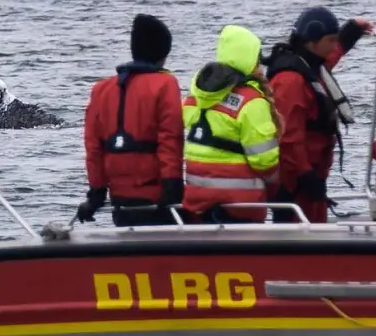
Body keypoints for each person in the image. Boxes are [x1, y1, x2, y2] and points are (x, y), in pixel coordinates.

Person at [265, 8, 375, 222]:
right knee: (299, 236)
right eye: (331, 40)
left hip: (313, 176)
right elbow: (289, 139)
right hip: (296, 182)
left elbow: (329, 57)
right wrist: (306, 175)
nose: (335, 46)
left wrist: (351, 31)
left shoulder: (310, 66)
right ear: (312, 41)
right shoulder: (290, 81)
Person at [77, 14, 185, 226]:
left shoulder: (101, 90)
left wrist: (96, 195)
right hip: (157, 200)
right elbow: (170, 142)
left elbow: (93, 148)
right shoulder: (165, 84)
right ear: (162, 53)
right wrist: (172, 191)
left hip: (121, 201)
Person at [181, 25, 281, 223]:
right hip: (240, 207)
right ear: (250, 62)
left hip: (197, 204)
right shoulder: (252, 102)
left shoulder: (197, 95)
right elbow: (264, 161)